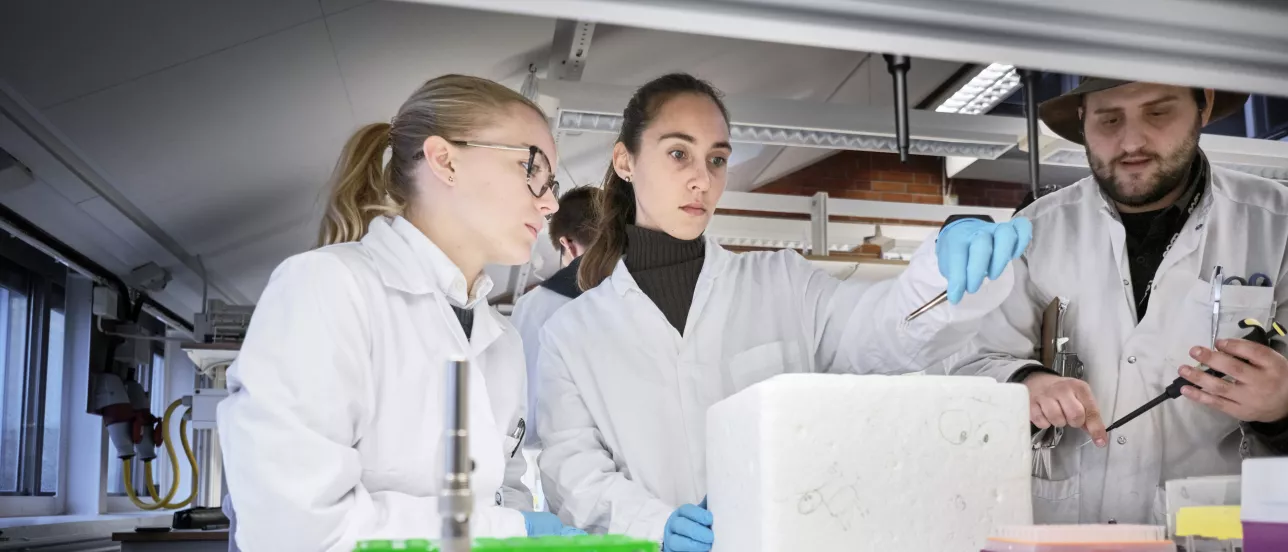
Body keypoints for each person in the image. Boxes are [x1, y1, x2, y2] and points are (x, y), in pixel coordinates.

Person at [534, 73, 1033, 551]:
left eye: (717, 160)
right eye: (679, 154)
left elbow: (882, 333)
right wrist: (656, 526)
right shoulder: (572, 333)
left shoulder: (782, 284)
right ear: (625, 160)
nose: (701, 180)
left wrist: (945, 267)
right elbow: (571, 470)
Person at [216, 74, 583, 552]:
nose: (550, 201)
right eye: (531, 169)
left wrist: (518, 525)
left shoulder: (502, 340)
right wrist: (508, 532)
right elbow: (295, 530)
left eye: (551, 183)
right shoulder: (327, 288)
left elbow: (498, 493)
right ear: (445, 160)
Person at [951, 78, 1288, 525]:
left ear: (1202, 106)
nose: (1131, 142)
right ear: (1082, 121)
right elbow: (974, 364)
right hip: (1067, 525)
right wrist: (1026, 383)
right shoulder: (1036, 231)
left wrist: (1281, 408)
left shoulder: (1276, 224)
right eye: (1109, 119)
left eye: (1158, 112)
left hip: (1217, 525)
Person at [511, 186, 602, 451]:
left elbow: (524, 416)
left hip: (571, 462)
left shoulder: (536, 306)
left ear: (567, 244)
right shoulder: (645, 291)